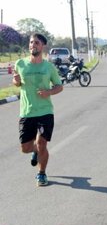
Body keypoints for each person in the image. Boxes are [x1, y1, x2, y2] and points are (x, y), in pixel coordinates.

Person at [12, 33, 63, 186]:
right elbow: (16, 81)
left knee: (42, 144)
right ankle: (35, 151)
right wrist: (16, 81)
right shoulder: (20, 64)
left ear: (43, 46)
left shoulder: (49, 67)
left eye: (37, 43)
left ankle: (41, 173)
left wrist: (49, 92)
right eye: (31, 42)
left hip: (45, 111)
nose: (33, 45)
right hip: (27, 112)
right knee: (25, 148)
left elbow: (59, 86)